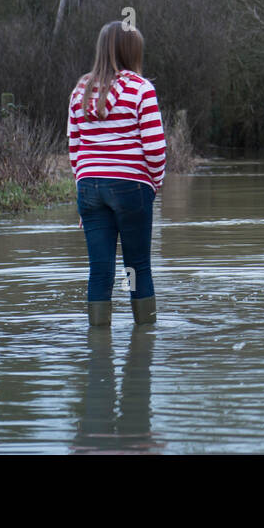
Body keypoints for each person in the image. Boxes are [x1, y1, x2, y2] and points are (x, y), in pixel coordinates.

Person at [68, 21, 166, 326]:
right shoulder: (141, 88)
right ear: (132, 51)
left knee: (100, 270)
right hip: (131, 187)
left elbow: (74, 148)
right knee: (137, 267)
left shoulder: (80, 91)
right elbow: (155, 149)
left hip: (89, 187)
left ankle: (98, 345)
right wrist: (154, 185)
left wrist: (84, 185)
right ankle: (145, 338)